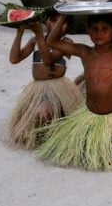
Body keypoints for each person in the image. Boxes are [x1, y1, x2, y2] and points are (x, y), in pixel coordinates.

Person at [36, 11, 112, 171]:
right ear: (88, 31)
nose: (99, 33)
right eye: (94, 29)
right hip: (90, 115)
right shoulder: (84, 51)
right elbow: (51, 42)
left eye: (104, 29)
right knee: (84, 152)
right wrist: (64, 16)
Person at [7, 19, 82, 149]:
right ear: (45, 22)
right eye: (53, 20)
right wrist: (19, 32)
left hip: (57, 87)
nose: (56, 25)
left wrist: (39, 35)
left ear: (68, 26)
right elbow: (14, 59)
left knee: (45, 113)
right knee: (37, 116)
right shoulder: (34, 41)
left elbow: (48, 60)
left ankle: (57, 136)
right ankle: (39, 136)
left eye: (62, 22)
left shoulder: (66, 43)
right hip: (38, 87)